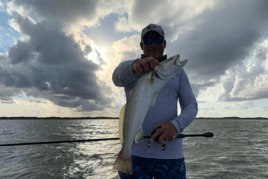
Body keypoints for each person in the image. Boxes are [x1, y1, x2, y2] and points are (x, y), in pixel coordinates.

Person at [112, 23, 198, 179]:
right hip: (134, 155)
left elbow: (191, 105)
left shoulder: (178, 73)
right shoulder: (131, 71)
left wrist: (175, 126)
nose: (153, 44)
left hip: (171, 157)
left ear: (164, 43)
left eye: (158, 39)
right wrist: (133, 66)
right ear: (141, 45)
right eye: (148, 40)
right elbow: (116, 77)